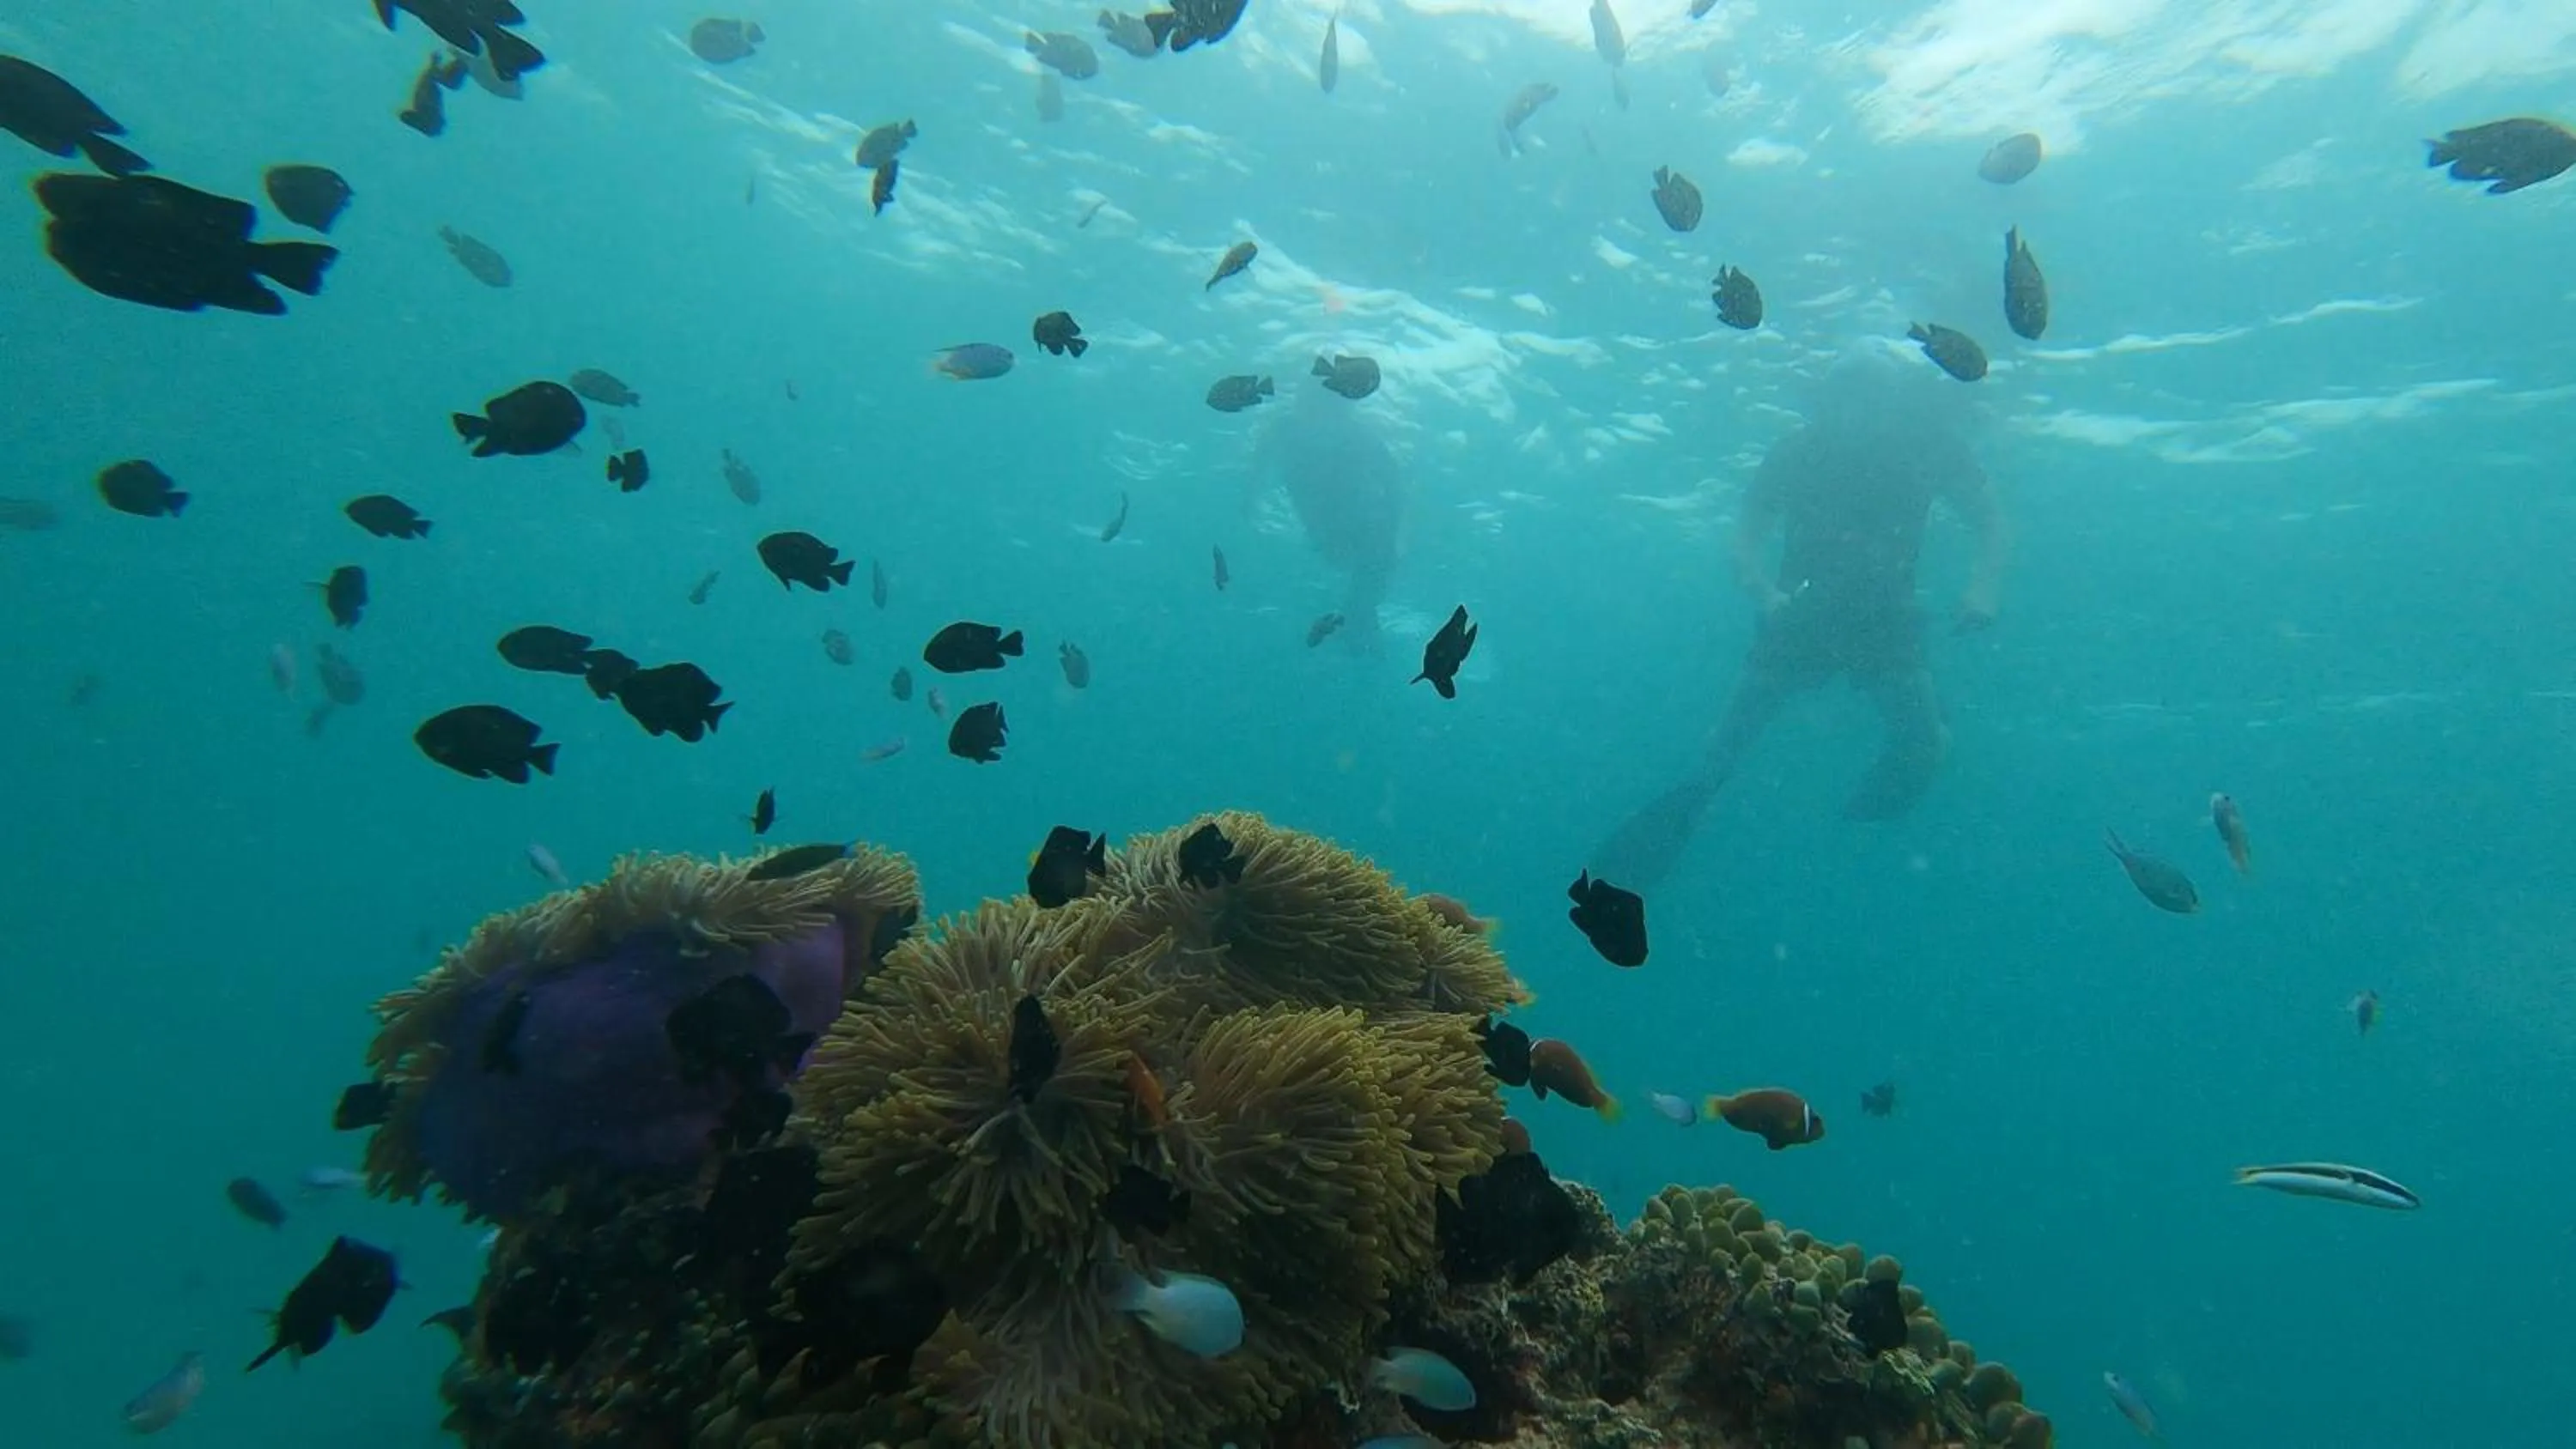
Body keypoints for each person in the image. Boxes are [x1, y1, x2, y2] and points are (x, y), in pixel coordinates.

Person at [1592, 354, 2009, 888]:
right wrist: (1762, 591)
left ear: (1896, 404)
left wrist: (1984, 590)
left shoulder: (1928, 447)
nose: (1857, 415)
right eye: (1844, 400)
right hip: (1800, 617)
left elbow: (1990, 519)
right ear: (1826, 402)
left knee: (1926, 741)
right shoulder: (1801, 450)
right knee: (1723, 746)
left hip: (1883, 619)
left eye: (1871, 401)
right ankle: (1675, 821)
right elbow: (1748, 528)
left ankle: (1862, 820)